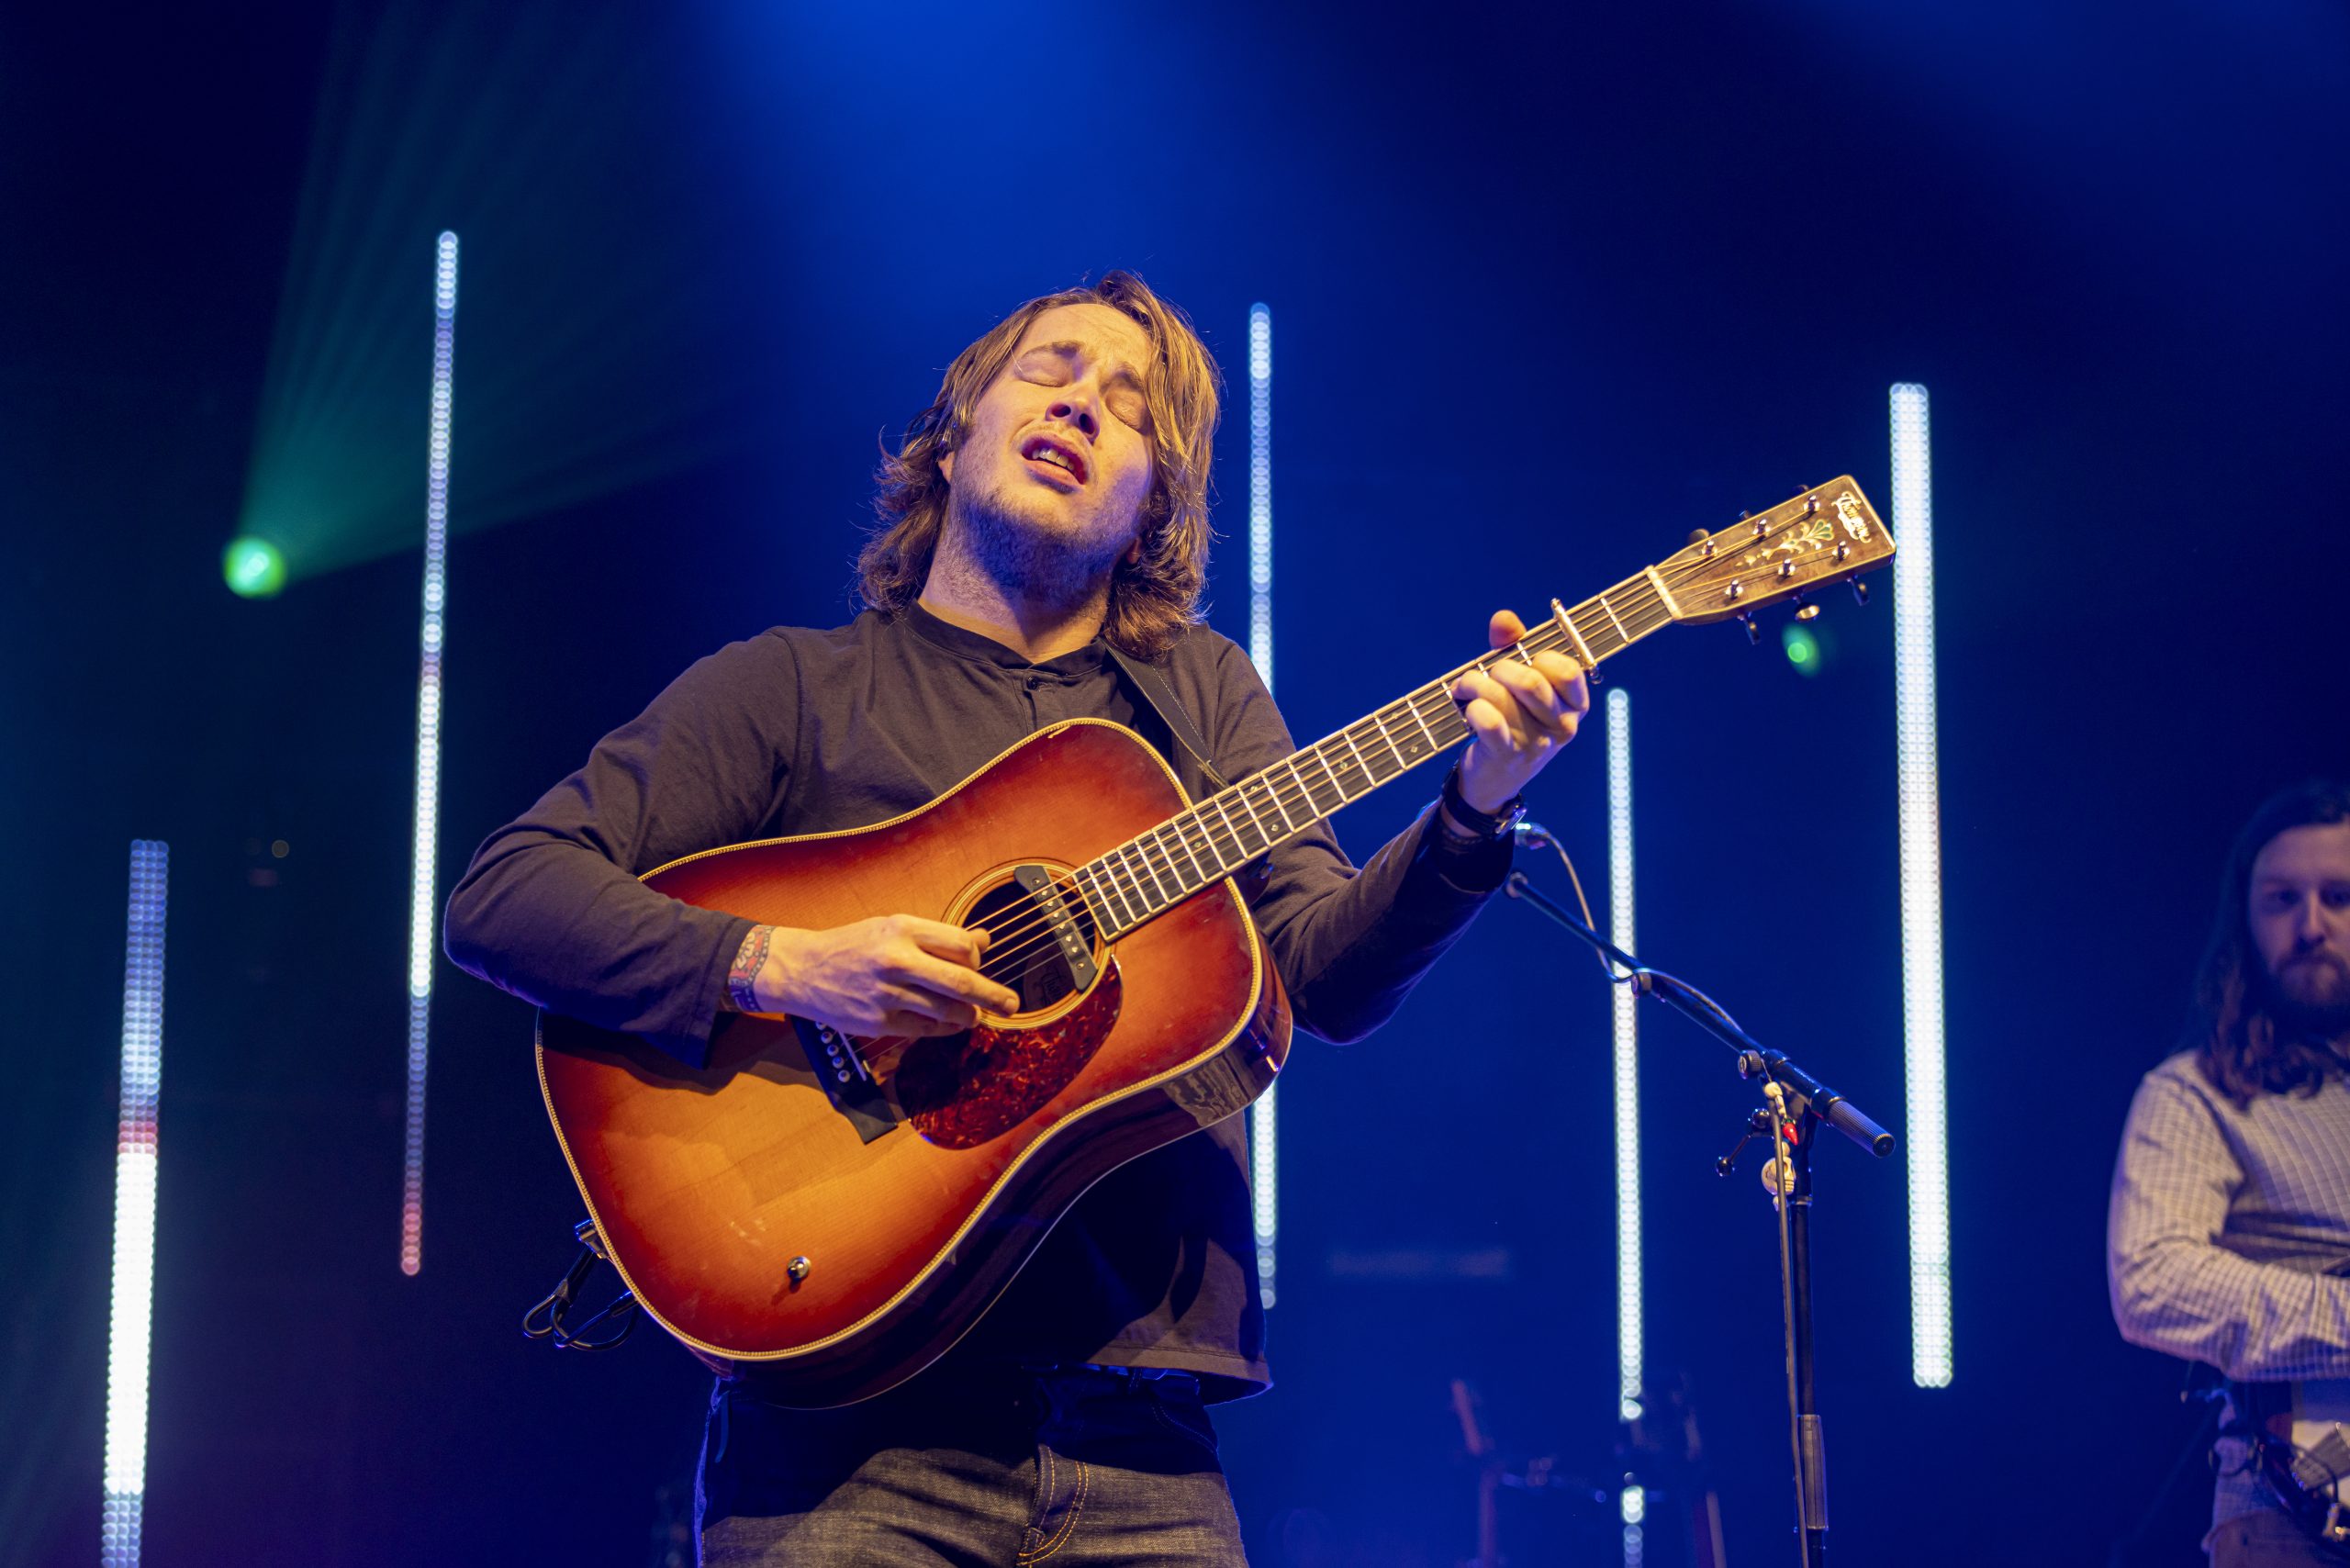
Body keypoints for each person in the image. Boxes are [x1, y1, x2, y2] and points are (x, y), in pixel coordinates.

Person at [443, 271, 1592, 1565]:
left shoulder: (1202, 698)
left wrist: (1475, 809)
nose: (1085, 410)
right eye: (1052, 372)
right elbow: (506, 893)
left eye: (1132, 408)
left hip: (1145, 1446)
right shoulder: (795, 691)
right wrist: (784, 965)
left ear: (1157, 502)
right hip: (843, 1447)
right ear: (955, 428)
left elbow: (1321, 979)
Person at [2109, 779, 2350, 1567]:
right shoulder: (2195, 1092)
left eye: (2339, 897)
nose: (2311, 926)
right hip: (2291, 1520)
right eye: (2282, 899)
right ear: (2244, 919)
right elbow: (2151, 1281)